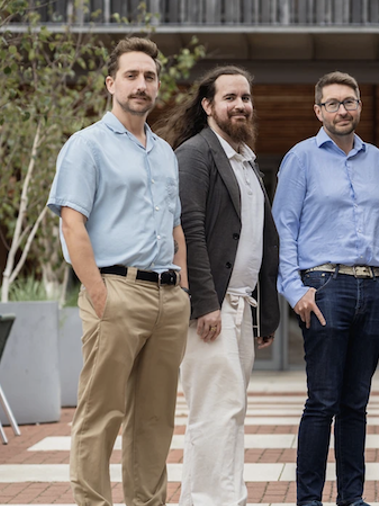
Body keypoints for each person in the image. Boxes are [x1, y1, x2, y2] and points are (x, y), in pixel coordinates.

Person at [46, 37, 190, 506]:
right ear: (111, 83)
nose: (141, 84)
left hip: (167, 299)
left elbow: (175, 228)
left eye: (149, 76)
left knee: (155, 419)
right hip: (116, 291)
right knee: (100, 414)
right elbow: (73, 223)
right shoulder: (86, 145)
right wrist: (100, 294)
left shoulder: (165, 153)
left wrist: (182, 285)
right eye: (131, 75)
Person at [272, 71, 379, 506]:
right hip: (325, 287)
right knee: (323, 401)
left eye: (349, 102)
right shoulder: (301, 157)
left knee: (356, 403)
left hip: (373, 290)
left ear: (359, 107)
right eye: (332, 103)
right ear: (318, 111)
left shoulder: (377, 161)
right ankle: (309, 500)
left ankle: (351, 498)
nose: (342, 110)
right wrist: (295, 289)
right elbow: (284, 228)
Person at [154, 66, 280, 506]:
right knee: (215, 412)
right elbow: (187, 229)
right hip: (212, 308)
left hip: (242, 307)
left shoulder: (245, 160)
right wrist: (203, 302)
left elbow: (261, 239)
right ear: (208, 105)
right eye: (230, 98)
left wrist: (265, 314)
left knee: (231, 412)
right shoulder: (196, 154)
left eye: (245, 97)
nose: (240, 105)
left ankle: (220, 496)